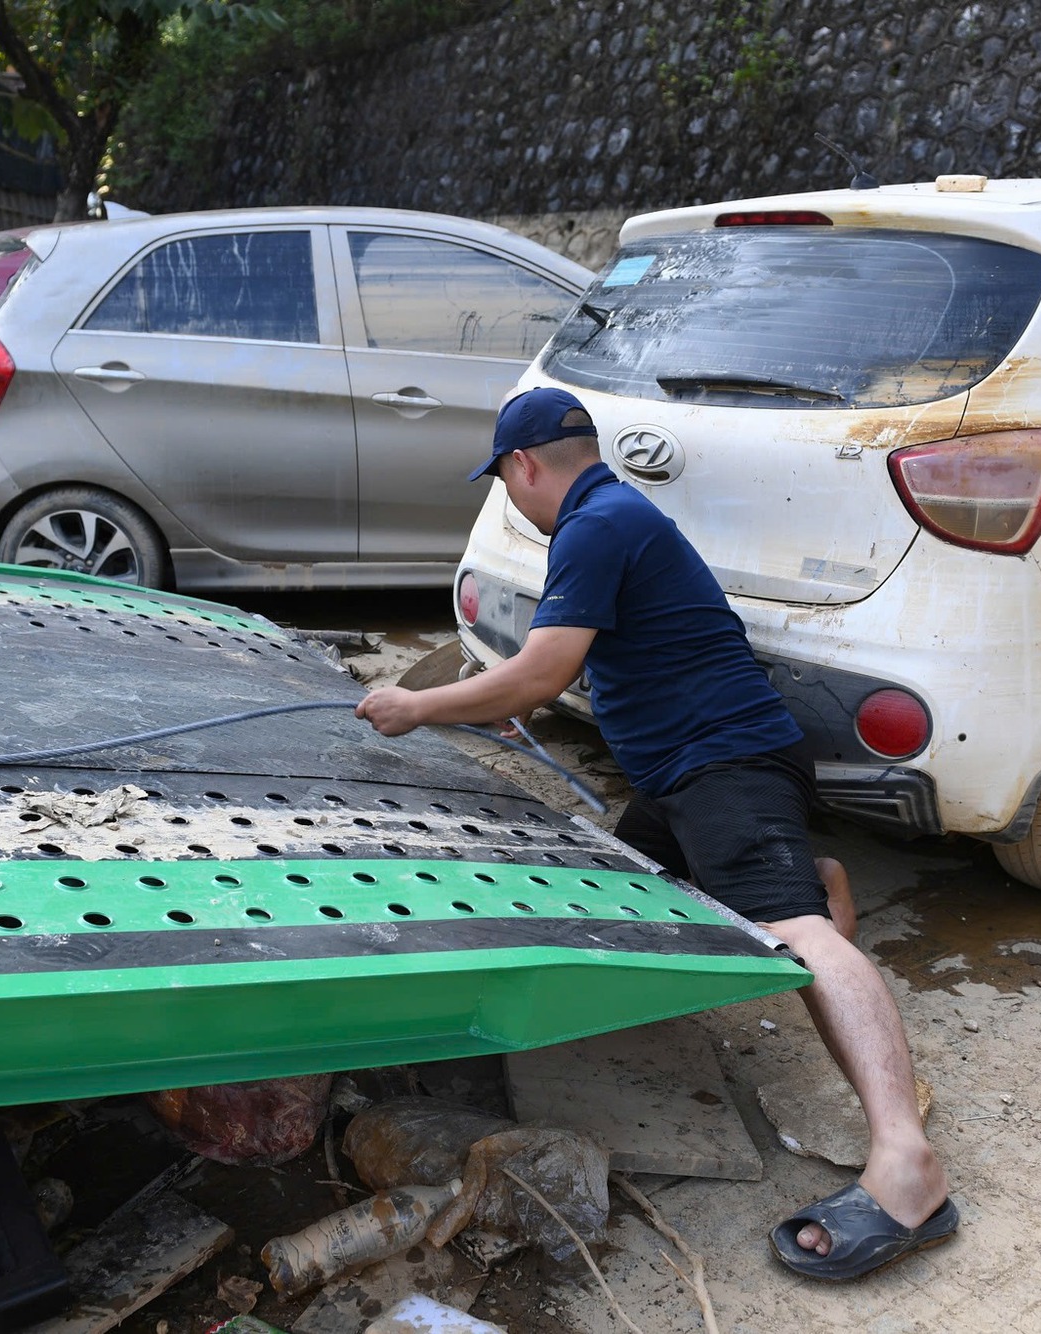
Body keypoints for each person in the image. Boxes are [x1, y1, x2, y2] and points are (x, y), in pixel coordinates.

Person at [357, 386, 957, 1279]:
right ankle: (807, 871)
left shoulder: (596, 525)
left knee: (794, 936)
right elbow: (579, 662)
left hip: (726, 764)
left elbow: (540, 671)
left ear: (522, 465)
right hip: (680, 778)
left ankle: (909, 1167)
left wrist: (416, 706)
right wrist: (509, 699)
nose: (511, 495)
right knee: (627, 894)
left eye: (505, 480)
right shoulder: (610, 515)